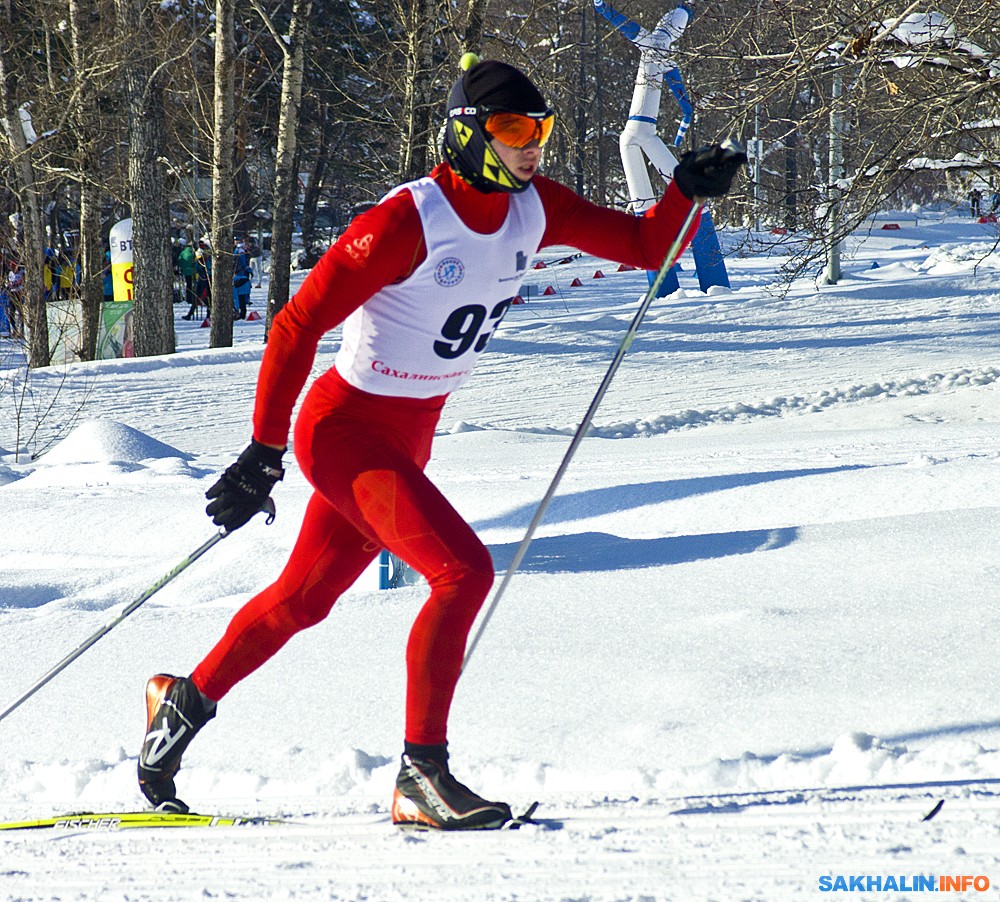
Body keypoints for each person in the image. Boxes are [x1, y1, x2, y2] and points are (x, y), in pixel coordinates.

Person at [136, 57, 745, 830]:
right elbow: (296, 324)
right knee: (461, 572)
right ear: (470, 134)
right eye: (515, 131)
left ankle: (177, 703)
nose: (532, 148)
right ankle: (421, 776)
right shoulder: (407, 221)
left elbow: (642, 246)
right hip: (345, 431)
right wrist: (262, 451)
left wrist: (686, 193)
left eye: (541, 131)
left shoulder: (533, 207)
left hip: (406, 437)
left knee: (302, 600)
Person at [232, 239, 252, 319]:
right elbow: (244, 265)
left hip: (237, 277)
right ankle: (241, 313)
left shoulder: (235, 254)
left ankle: (238, 312)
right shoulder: (241, 255)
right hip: (242, 278)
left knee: (237, 297)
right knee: (242, 297)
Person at [178, 238, 197, 318]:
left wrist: (182, 267)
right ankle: (193, 298)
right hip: (194, 271)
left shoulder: (183, 252)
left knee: (188, 285)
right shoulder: (194, 252)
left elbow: (180, 260)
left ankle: (188, 298)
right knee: (194, 286)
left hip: (186, 271)